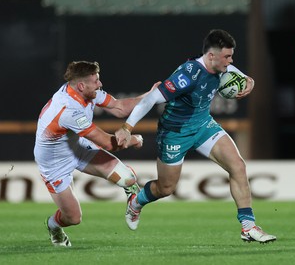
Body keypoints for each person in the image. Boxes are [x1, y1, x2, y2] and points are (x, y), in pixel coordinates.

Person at [115, 29, 276, 243]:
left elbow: (234, 70)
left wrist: (249, 80)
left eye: (231, 56)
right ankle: (136, 201)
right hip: (175, 133)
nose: (230, 61)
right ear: (211, 56)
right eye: (227, 56)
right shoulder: (187, 75)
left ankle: (248, 227)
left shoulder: (220, 66)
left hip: (203, 125)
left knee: (238, 166)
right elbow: (151, 99)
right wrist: (127, 127)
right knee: (166, 188)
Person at [34, 61, 158, 247]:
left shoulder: (84, 91)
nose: (100, 84)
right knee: (73, 217)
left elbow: (120, 107)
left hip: (76, 147)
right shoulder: (69, 110)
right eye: (96, 81)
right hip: (54, 163)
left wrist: (151, 95)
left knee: (127, 179)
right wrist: (135, 139)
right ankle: (53, 226)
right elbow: (108, 143)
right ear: (82, 85)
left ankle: (131, 192)